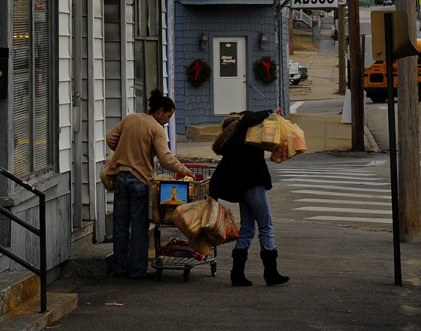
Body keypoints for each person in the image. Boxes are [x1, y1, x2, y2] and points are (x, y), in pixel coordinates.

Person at [105, 88, 195, 279]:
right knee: (138, 228)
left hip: (120, 177)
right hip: (140, 180)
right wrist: (184, 170)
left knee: (120, 226)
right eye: (168, 116)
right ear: (160, 111)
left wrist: (122, 149)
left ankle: (120, 268)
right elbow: (165, 159)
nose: (168, 120)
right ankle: (136, 271)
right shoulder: (156, 129)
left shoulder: (131, 119)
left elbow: (110, 138)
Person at [209, 108, 289, 287]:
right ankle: (271, 272)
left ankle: (237, 274)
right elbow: (249, 119)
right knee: (266, 226)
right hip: (253, 186)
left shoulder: (233, 143)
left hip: (241, 190)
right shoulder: (244, 133)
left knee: (246, 229)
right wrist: (269, 112)